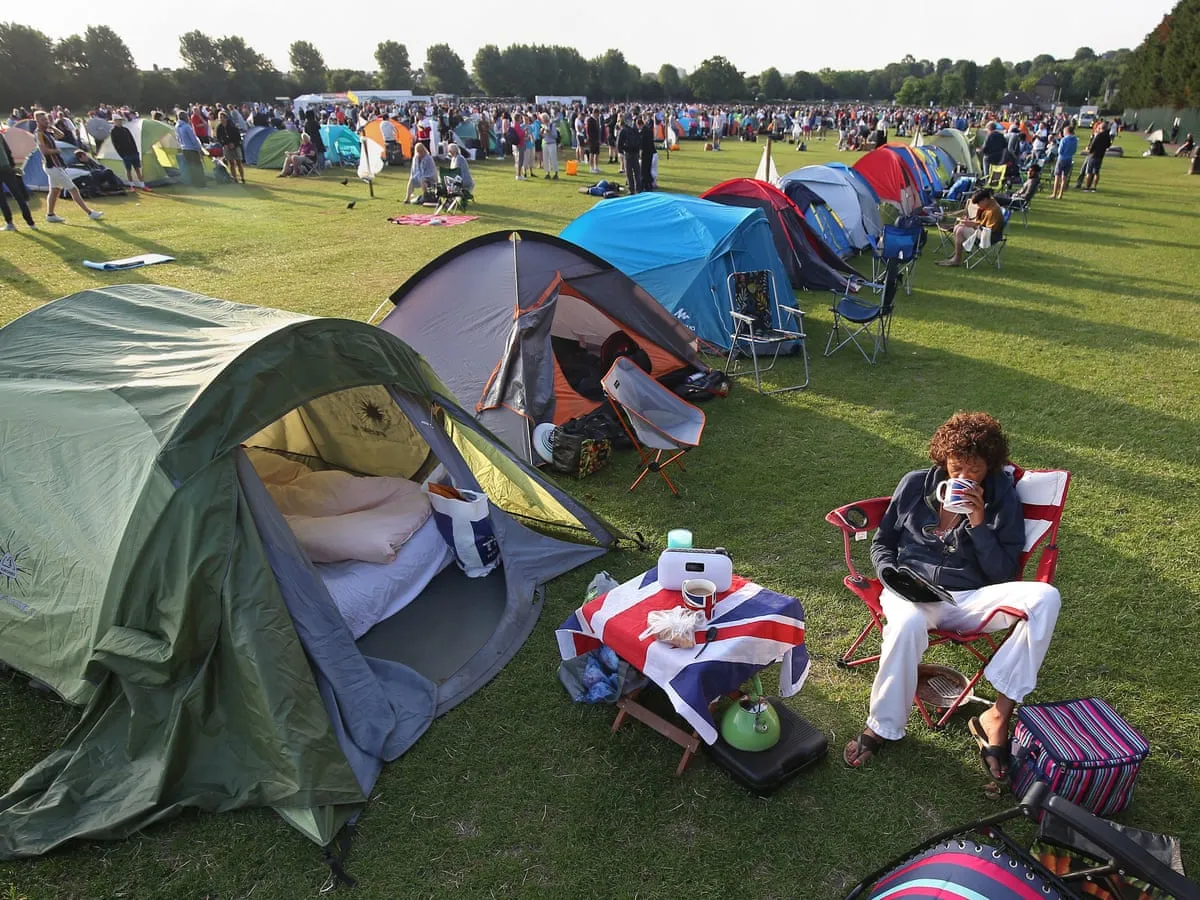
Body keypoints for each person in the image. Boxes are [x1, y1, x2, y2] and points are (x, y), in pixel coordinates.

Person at [843, 412, 1061, 776]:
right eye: (956, 467)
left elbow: (1003, 572)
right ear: (943, 459)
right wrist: (889, 576)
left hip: (969, 597)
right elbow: (883, 542)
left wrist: (979, 523)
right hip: (910, 592)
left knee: (1046, 598)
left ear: (989, 468)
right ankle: (881, 727)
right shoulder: (915, 485)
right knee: (907, 624)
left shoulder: (1001, 499)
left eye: (973, 471)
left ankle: (997, 714)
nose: (962, 477)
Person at [33, 111, 104, 223]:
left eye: (46, 119)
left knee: (55, 190)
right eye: (42, 120)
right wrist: (56, 150)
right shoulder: (39, 134)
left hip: (54, 165)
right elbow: (44, 151)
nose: (45, 121)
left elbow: (61, 135)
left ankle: (50, 214)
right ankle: (89, 212)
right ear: (37, 121)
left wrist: (52, 127)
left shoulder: (46, 132)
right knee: (73, 189)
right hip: (53, 166)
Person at [936, 188, 1003, 267]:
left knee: (960, 230)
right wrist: (970, 222)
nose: (978, 206)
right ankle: (956, 257)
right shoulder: (988, 206)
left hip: (990, 236)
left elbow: (989, 228)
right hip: (982, 231)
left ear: (985, 200)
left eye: (978, 203)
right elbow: (980, 221)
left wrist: (973, 224)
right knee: (958, 227)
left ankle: (957, 259)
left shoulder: (993, 210)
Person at [0, 131, 37, 231]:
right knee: (18, 196)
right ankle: (31, 223)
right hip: (7, 168)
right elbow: (8, 151)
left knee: (2, 200)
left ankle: (10, 223)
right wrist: (12, 167)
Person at [108, 116, 144, 188]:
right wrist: (122, 154)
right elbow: (115, 144)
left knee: (137, 169)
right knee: (128, 170)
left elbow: (132, 140)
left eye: (120, 120)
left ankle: (142, 185)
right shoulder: (113, 131)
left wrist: (136, 151)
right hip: (125, 154)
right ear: (114, 121)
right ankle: (131, 185)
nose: (120, 122)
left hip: (133, 152)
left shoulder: (126, 129)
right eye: (118, 121)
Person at [174, 111, 207, 187]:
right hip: (192, 149)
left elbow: (178, 138)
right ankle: (201, 184)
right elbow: (193, 139)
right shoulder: (187, 126)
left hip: (184, 149)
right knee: (198, 167)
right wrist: (199, 148)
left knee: (192, 167)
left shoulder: (177, 127)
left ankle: (195, 183)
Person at [1079, 121, 1111, 192]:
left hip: (1093, 155)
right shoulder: (1107, 135)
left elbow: (1093, 145)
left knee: (1089, 172)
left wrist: (1089, 150)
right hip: (1101, 155)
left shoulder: (1098, 136)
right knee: (1096, 172)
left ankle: (1087, 187)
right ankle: (1094, 187)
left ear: (1100, 128)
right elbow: (1108, 145)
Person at [216, 111, 245, 184]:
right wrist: (224, 144)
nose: (221, 119)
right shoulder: (219, 128)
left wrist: (234, 144)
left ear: (226, 118)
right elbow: (219, 138)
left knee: (239, 162)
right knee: (231, 163)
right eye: (220, 118)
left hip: (235, 145)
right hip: (226, 147)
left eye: (222, 118)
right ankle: (235, 178)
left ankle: (242, 178)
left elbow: (238, 138)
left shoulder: (232, 126)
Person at [1051, 125, 1077, 200]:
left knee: (1057, 176)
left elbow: (1060, 151)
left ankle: (1054, 194)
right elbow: (1074, 150)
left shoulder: (1064, 139)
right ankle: (1060, 194)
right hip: (1069, 159)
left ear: (1066, 131)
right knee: (1064, 178)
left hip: (1062, 158)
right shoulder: (1075, 139)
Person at [640, 113, 655, 192]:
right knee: (648, 168)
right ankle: (649, 184)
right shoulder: (649, 130)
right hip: (650, 152)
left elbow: (642, 142)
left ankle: (645, 185)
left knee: (644, 169)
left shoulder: (644, 130)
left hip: (645, 152)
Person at [541, 112, 559, 179]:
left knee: (553, 159)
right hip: (545, 143)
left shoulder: (552, 125)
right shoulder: (543, 126)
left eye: (542, 118)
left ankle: (556, 173)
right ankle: (547, 173)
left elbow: (555, 136)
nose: (542, 120)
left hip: (552, 143)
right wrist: (541, 133)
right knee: (545, 159)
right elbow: (543, 136)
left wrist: (549, 132)